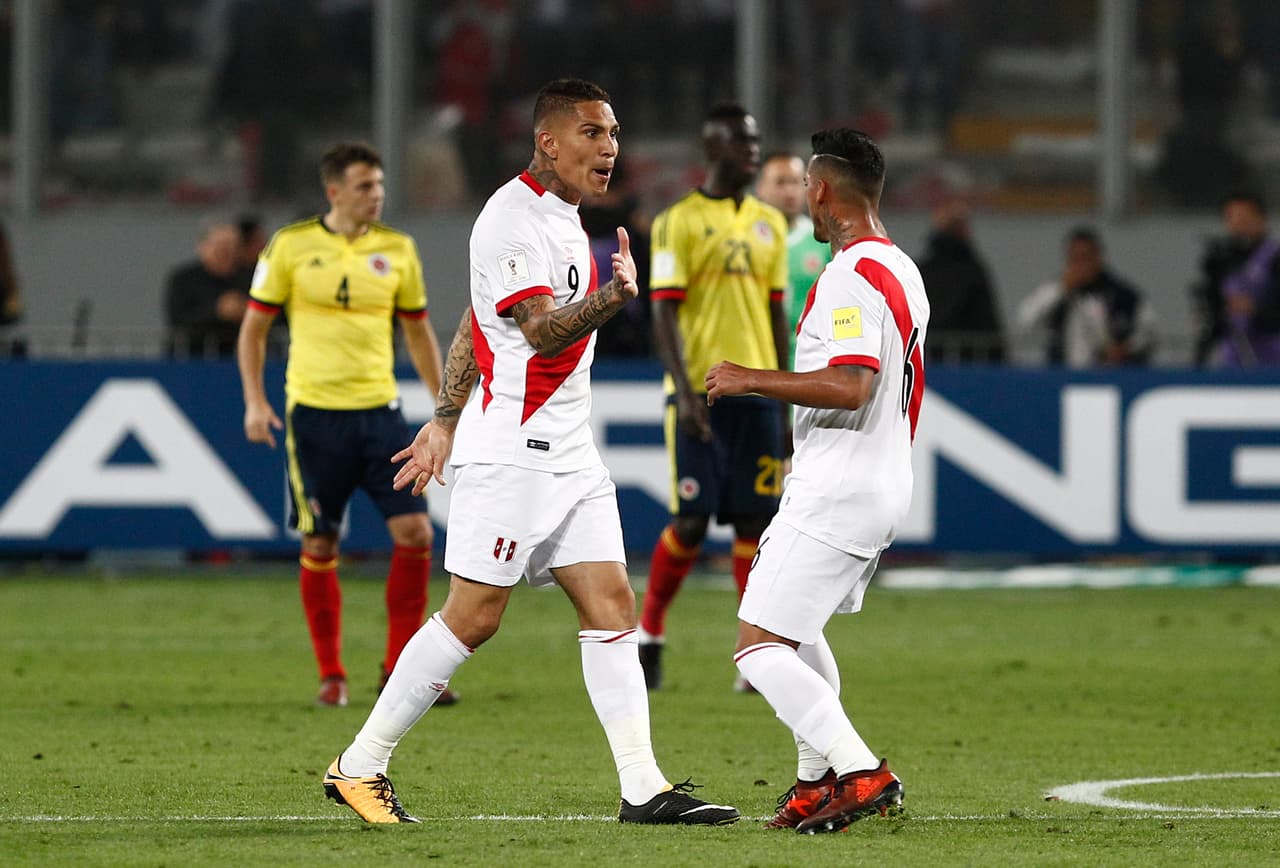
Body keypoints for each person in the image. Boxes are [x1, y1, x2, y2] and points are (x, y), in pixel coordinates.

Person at [320, 78, 740, 827]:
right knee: (475, 615)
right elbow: (541, 329)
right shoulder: (513, 217)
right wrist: (615, 299)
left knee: (612, 604)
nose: (609, 148)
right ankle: (359, 765)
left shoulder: (565, 219)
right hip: (514, 449)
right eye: (591, 134)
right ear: (548, 140)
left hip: (570, 450)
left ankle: (642, 787)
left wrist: (444, 413)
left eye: (613, 134)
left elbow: (474, 321)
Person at [705, 128, 923, 833]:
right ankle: (812, 784)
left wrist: (749, 379)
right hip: (876, 480)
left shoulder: (849, 274)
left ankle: (860, 770)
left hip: (842, 484)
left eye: (805, 184)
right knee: (793, 635)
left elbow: (853, 384)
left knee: (759, 646)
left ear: (822, 191)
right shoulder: (902, 268)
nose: (803, 195)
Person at [237, 142, 448, 708]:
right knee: (321, 539)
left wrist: (444, 406)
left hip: (381, 416)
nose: (375, 195)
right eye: (363, 186)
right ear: (334, 191)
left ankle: (399, 671)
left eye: (378, 185)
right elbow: (254, 330)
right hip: (314, 419)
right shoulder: (291, 245)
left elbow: (419, 333)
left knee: (416, 534)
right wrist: (256, 402)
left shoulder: (398, 250)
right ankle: (331, 673)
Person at [637, 104, 790, 693]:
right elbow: (663, 310)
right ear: (713, 146)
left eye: (755, 141)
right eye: (741, 141)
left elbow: (775, 311)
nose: (752, 150)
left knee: (755, 520)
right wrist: (684, 388)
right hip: (700, 392)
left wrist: (780, 389)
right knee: (693, 520)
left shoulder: (769, 224)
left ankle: (752, 652)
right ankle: (650, 629)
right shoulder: (678, 221)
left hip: (756, 392)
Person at [1016, 227, 1156, 368]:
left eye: (1085, 258)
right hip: (1061, 374)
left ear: (1098, 258)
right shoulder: (1055, 291)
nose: (1080, 265)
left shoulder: (1123, 295)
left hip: (1106, 374)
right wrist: (1061, 289)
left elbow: (1147, 332)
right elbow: (1025, 319)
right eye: (1075, 258)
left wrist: (1126, 349)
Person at [755, 151, 832, 368]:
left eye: (797, 182)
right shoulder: (744, 241)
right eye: (780, 182)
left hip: (809, 361)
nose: (790, 191)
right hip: (756, 361)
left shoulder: (823, 241)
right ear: (760, 187)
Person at [1192, 192, 1280, 367]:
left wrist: (1255, 310)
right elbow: (1212, 307)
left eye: (1245, 217)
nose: (1238, 224)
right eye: (1232, 218)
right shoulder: (1220, 260)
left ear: (1261, 219)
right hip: (1233, 357)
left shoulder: (1275, 257)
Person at [917, 197, 1005, 363]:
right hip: (971, 361)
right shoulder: (973, 270)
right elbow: (987, 321)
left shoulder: (920, 269)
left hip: (926, 359)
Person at [165, 220, 248, 359]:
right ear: (203, 247)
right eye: (221, 247)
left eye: (232, 247)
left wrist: (249, 311)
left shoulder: (251, 278)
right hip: (192, 359)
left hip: (240, 360)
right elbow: (178, 319)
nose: (226, 252)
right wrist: (217, 311)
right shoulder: (184, 279)